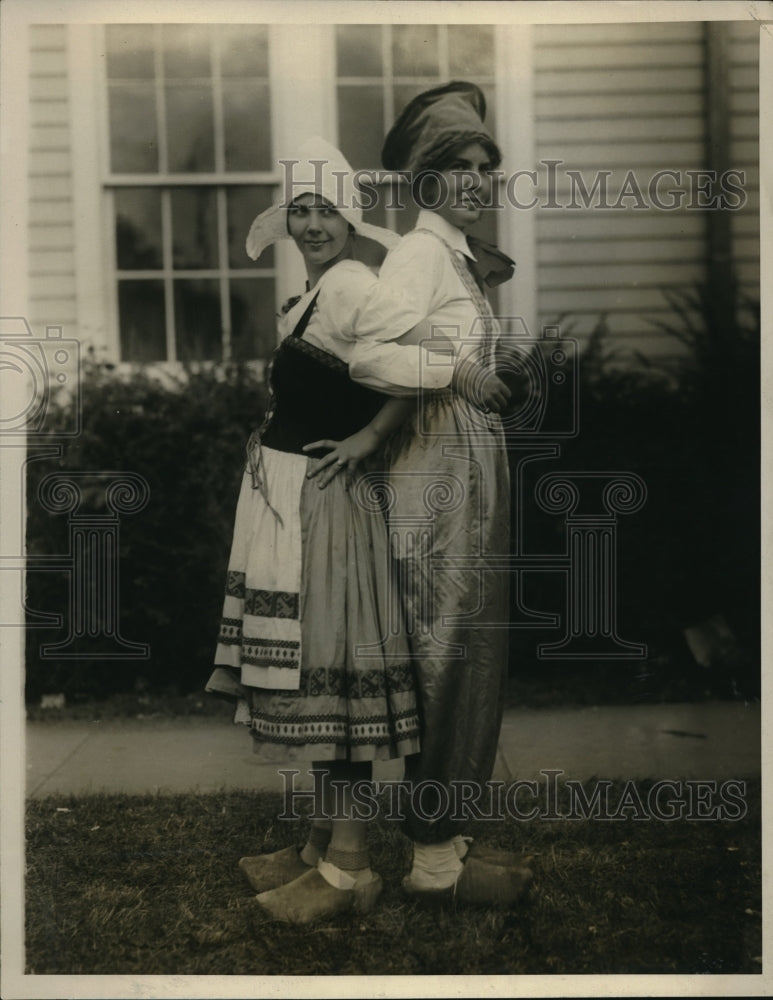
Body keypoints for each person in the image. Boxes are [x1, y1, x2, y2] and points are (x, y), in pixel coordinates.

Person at [206, 137, 446, 924]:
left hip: (327, 508)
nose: (313, 225)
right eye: (302, 211)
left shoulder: (347, 285)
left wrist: (370, 439)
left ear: (350, 220)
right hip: (291, 499)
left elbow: (425, 357)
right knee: (310, 676)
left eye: (328, 211)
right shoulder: (316, 291)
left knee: (330, 678)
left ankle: (350, 866)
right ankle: (319, 845)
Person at [334, 81, 533, 902]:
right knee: (446, 646)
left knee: (470, 643)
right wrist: (455, 370)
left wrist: (482, 377)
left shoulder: (450, 255)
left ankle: (445, 839)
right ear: (426, 181)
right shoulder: (418, 255)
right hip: (435, 465)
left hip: (467, 458)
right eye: (460, 166)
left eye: (487, 165)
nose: (479, 179)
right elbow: (363, 351)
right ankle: (432, 862)